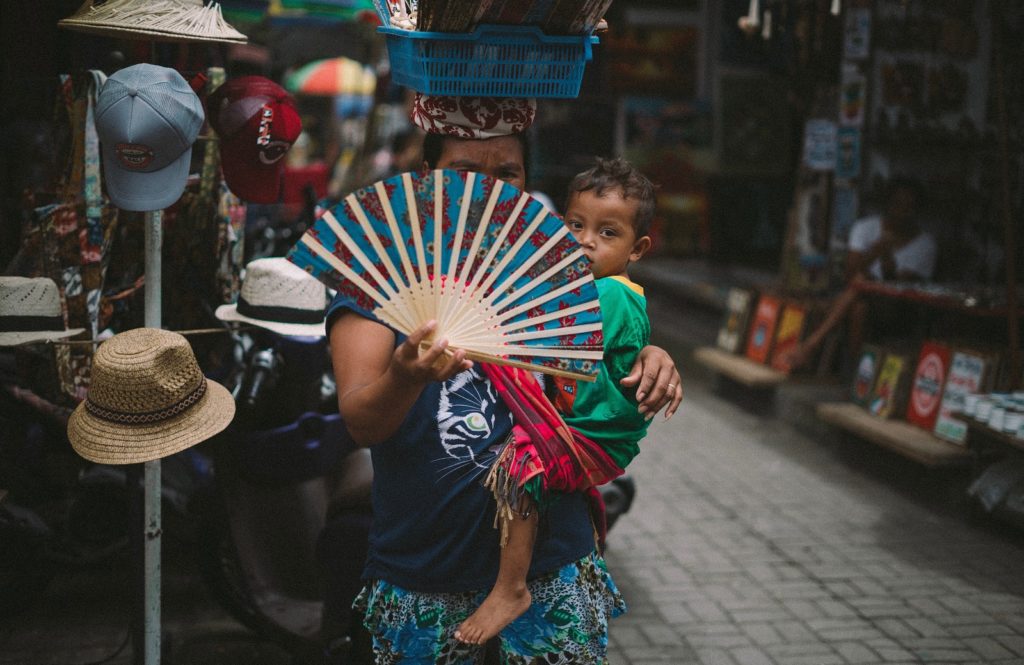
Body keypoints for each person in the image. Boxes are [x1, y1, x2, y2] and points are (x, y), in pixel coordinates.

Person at [327, 94, 681, 663]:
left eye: (506, 174)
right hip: (425, 569)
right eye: (465, 172)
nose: (488, 190)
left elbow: (610, 331)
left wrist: (652, 354)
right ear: (428, 176)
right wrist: (404, 375)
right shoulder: (377, 275)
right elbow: (363, 421)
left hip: (553, 563)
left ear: (526, 183)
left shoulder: (553, 268)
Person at [454, 157, 655, 646]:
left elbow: (552, 344)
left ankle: (511, 588)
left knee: (522, 467)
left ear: (638, 249)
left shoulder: (610, 293)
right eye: (576, 225)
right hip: (578, 421)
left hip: (596, 428)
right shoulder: (583, 287)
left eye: (608, 233)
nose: (586, 241)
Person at [783, 177, 937, 371]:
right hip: (860, 297)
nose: (902, 212)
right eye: (897, 204)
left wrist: (886, 260)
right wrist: (876, 251)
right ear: (887, 204)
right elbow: (849, 274)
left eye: (909, 207)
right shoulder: (866, 228)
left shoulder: (925, 244)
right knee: (859, 303)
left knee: (861, 285)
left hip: (896, 308)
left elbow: (901, 290)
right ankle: (857, 371)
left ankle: (810, 346)